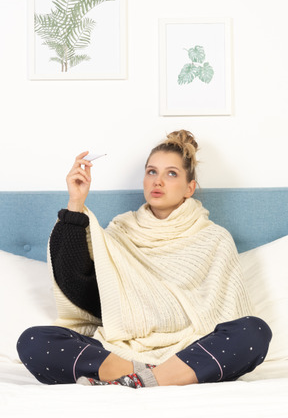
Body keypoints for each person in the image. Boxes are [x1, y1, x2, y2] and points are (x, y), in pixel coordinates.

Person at [17, 130, 272, 388]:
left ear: (190, 188)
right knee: (33, 341)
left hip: (190, 350)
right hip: (121, 350)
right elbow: (80, 290)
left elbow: (230, 317)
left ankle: (135, 380)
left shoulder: (215, 238)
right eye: (151, 172)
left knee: (254, 332)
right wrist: (76, 202)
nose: (157, 181)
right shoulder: (120, 232)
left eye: (171, 173)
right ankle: (147, 376)